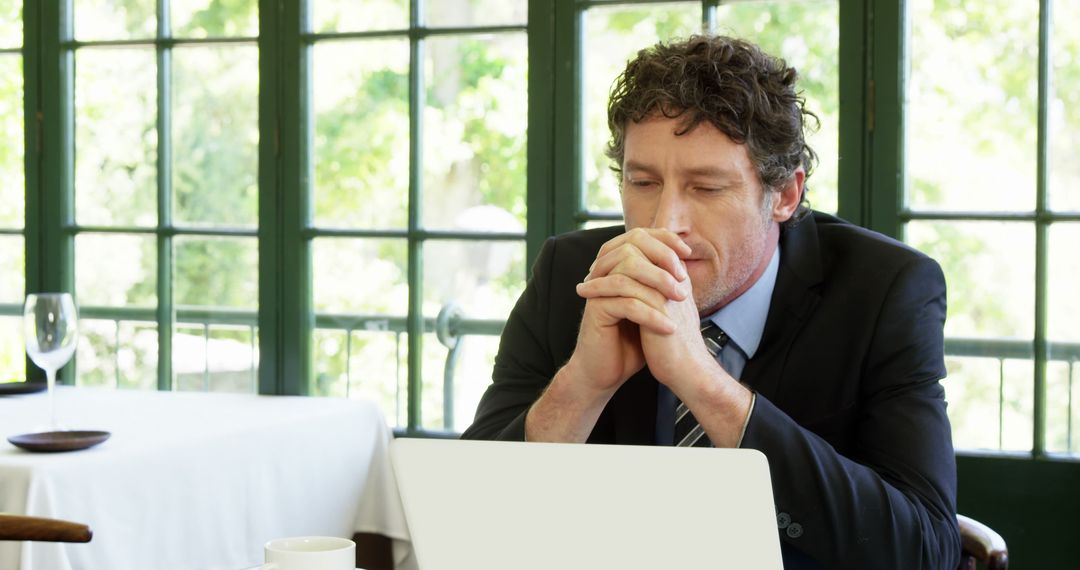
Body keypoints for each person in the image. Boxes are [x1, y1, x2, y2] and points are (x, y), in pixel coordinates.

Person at [460, 35, 960, 569]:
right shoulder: (574, 275)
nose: (664, 222)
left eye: (706, 188)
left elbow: (925, 550)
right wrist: (582, 384)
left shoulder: (886, 290)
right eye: (643, 181)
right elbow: (463, 519)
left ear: (785, 195)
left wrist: (705, 384)